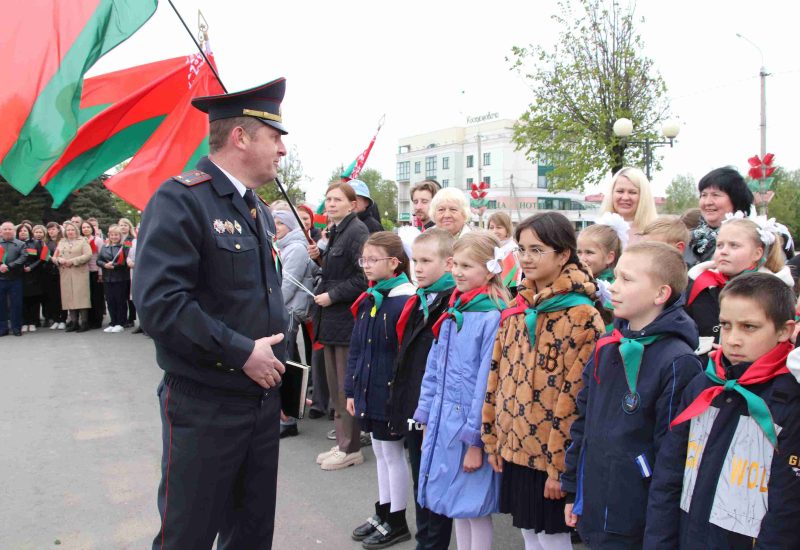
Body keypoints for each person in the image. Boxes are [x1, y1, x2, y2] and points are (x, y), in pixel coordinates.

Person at [133, 77, 290, 550]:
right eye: (275, 136)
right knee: (189, 535)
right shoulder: (182, 199)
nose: (282, 149)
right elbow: (161, 304)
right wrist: (243, 352)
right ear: (241, 137)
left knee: (252, 533)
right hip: (205, 404)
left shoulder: (257, 211)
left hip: (260, 404)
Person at [561, 242, 702, 548]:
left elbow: (671, 457)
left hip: (636, 522)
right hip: (598, 508)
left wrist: (659, 536)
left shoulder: (678, 361)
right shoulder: (609, 344)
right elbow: (583, 424)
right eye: (615, 278)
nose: (613, 287)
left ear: (660, 294)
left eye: (627, 280)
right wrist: (574, 491)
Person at [482, 212, 604, 550]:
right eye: (521, 249)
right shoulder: (518, 307)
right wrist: (494, 438)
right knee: (528, 531)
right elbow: (497, 376)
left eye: (537, 250)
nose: (526, 258)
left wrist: (559, 467)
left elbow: (577, 399)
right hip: (516, 446)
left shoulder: (582, 315)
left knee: (552, 537)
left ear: (563, 254)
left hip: (551, 455)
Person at [653, 273, 800, 548]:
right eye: (726, 325)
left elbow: (788, 509)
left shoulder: (789, 400)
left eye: (749, 327)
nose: (733, 339)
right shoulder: (703, 385)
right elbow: (669, 475)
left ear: (784, 330)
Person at [414, 231, 510, 550]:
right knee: (457, 504)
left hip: (468, 430)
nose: (457, 272)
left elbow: (486, 386)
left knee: (474, 507)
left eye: (467, 266)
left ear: (490, 270)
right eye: (456, 264)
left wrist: (476, 442)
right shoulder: (456, 309)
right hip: (445, 424)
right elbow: (434, 368)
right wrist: (426, 414)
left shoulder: (491, 316)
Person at [346, 232, 416, 548]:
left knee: (392, 453)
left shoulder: (405, 299)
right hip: (368, 389)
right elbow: (357, 349)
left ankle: (397, 519)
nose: (366, 266)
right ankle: (383, 511)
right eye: (364, 259)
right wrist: (351, 390)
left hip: (389, 392)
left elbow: (405, 355)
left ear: (394, 262)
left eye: (373, 259)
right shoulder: (372, 297)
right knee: (379, 452)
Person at [387, 228, 456, 550]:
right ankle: (423, 541)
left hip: (436, 412)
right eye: (415, 259)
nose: (418, 267)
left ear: (449, 263)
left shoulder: (451, 303)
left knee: (434, 482)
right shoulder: (420, 299)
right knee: (421, 480)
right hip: (416, 405)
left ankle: (432, 544)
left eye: (427, 260)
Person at [309, 181, 370, 471]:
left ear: (352, 205)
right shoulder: (337, 232)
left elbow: (363, 278)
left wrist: (332, 295)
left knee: (346, 386)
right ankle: (343, 441)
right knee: (336, 386)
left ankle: (351, 447)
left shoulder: (357, 232)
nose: (330, 204)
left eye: (337, 199)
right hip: (332, 320)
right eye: (328, 198)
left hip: (345, 319)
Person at [685, 215, 791, 356]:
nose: (723, 251)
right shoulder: (700, 283)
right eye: (719, 245)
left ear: (757, 253)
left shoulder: (774, 291)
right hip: (702, 366)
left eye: (734, 245)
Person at [273, 209, 317, 439]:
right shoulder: (283, 246)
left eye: (281, 222)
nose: (277, 226)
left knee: (287, 362)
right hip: (284, 309)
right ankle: (290, 409)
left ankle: (289, 419)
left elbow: (287, 285)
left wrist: (272, 308)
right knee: (288, 360)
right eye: (275, 222)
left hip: (289, 311)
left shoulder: (297, 248)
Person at [685, 167, 754, 268]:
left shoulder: (752, 239)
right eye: (703, 195)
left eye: (715, 195)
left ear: (736, 200)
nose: (707, 202)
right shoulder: (687, 238)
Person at [599, 167, 657, 245]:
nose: (625, 197)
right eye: (620, 191)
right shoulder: (599, 231)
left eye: (632, 192)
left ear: (643, 197)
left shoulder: (656, 234)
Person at [55, 221, 92, 333]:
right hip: (65, 273)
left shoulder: (83, 241)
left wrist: (73, 261)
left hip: (79, 272)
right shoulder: (61, 242)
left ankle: (84, 322)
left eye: (72, 230)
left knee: (81, 297)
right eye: (68, 230)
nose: (70, 232)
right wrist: (59, 260)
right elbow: (56, 255)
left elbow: (88, 255)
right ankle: (74, 322)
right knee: (69, 298)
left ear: (76, 231)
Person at [97, 225, 130, 333]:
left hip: (120, 278)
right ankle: (113, 321)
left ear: (120, 236)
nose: (114, 237)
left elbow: (125, 261)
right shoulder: (105, 247)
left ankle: (121, 322)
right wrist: (105, 265)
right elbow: (99, 260)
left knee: (120, 301)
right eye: (112, 234)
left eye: (116, 235)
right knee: (110, 301)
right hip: (108, 278)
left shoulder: (124, 246)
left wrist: (114, 265)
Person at [577, 212, 628, 282]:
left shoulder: (612, 286)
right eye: (579, 252)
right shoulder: (575, 278)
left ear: (609, 257)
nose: (581, 259)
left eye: (589, 252)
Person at [0, 221, 28, 336]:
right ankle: (3, 328)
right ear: (1, 231)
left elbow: (23, 257)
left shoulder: (21, 244)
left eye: (9, 229)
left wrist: (10, 266)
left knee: (16, 304)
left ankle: (16, 327)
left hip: (15, 279)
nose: (7, 231)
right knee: (1, 305)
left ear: (14, 231)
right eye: (5, 229)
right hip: (0, 279)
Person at [17, 223, 43, 332]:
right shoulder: (15, 243)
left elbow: (41, 258)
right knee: (22, 300)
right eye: (21, 231)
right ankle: (24, 322)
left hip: (33, 275)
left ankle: (33, 321)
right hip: (19, 275)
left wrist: (31, 267)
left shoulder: (36, 243)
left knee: (33, 300)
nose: (23, 232)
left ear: (29, 232)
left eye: (25, 230)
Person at [81, 221, 105, 329]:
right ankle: (89, 320)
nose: (85, 229)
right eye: (83, 227)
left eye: (88, 227)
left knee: (97, 297)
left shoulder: (98, 240)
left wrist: (100, 273)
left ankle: (97, 320)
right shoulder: (81, 240)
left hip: (95, 271)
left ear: (92, 229)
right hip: (84, 272)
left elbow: (101, 256)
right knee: (87, 297)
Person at [42, 222, 66, 329]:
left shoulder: (63, 241)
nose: (51, 231)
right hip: (49, 273)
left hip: (61, 271)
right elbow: (43, 257)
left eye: (53, 229)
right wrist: (49, 258)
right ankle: (55, 319)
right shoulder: (46, 242)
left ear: (58, 230)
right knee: (53, 297)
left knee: (62, 297)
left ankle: (63, 319)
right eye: (49, 229)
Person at [118, 217, 137, 327]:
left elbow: (126, 253)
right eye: (121, 225)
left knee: (130, 295)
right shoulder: (116, 238)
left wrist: (127, 260)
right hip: (118, 270)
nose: (123, 227)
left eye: (125, 225)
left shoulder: (130, 240)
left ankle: (131, 318)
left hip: (127, 269)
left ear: (129, 227)